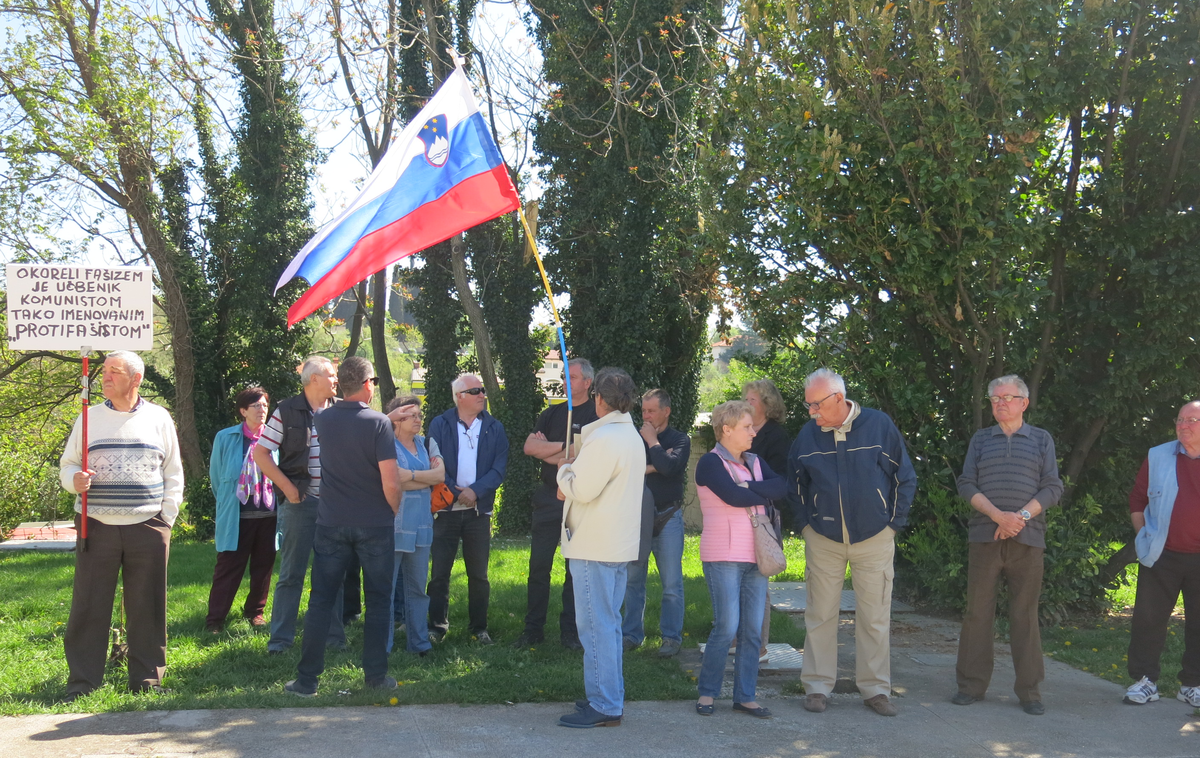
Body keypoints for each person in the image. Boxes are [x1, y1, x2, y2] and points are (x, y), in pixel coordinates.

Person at [788, 368, 916, 717]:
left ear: (838, 399)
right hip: (824, 540)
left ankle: (875, 690)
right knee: (820, 614)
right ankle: (816, 686)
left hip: (874, 538)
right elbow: (795, 484)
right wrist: (805, 527)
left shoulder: (878, 425)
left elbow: (904, 477)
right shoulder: (807, 435)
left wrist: (893, 526)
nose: (812, 413)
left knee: (874, 617)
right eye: (808, 406)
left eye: (816, 405)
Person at [58, 350, 184, 701]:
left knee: (147, 605)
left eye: (115, 371)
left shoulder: (159, 418)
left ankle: (147, 679)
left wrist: (166, 519)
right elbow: (67, 465)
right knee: (89, 604)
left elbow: (174, 471)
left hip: (148, 525)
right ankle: (82, 682)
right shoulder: (87, 418)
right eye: (104, 371)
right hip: (96, 525)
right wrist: (75, 480)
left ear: (136, 379)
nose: (106, 377)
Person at [285, 357, 406, 696]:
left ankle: (307, 681)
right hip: (374, 523)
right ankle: (375, 677)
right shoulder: (379, 423)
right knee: (379, 601)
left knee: (321, 600)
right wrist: (392, 513)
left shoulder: (322, 419)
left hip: (331, 522)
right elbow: (391, 482)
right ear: (367, 384)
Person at [952, 375, 1063, 716]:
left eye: (1007, 397)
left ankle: (1029, 691)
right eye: (994, 399)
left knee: (1024, 616)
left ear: (1024, 403)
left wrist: (1020, 518)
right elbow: (966, 483)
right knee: (977, 614)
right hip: (985, 538)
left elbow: (1053, 487)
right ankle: (971, 686)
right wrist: (999, 516)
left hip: (1027, 540)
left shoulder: (1042, 440)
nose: (1000, 403)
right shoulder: (981, 439)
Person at [555, 367, 645, 728]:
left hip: (596, 544)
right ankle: (606, 696)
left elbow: (580, 488)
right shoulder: (628, 435)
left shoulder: (607, 438)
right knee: (606, 624)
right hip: (613, 543)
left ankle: (606, 704)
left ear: (599, 399)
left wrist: (564, 471)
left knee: (596, 627)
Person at [694, 400, 785, 719]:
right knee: (727, 625)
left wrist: (748, 485)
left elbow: (783, 486)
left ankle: (745, 696)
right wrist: (760, 491)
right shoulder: (709, 463)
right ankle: (707, 692)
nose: (753, 432)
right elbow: (733, 497)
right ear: (726, 429)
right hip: (723, 556)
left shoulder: (756, 462)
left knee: (752, 630)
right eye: (747, 427)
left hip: (757, 554)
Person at [255, 356, 346, 654]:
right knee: (292, 573)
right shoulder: (287, 410)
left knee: (333, 572)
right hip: (301, 503)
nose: (336, 379)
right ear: (314, 380)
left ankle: (333, 638)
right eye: (331, 374)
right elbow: (261, 454)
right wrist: (287, 489)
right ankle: (280, 641)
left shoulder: (342, 409)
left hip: (335, 505)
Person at [515, 358, 596, 649]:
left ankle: (570, 633)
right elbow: (529, 447)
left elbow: (583, 457)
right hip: (549, 497)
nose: (566, 382)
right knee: (538, 567)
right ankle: (532, 630)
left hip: (577, 500)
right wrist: (566, 448)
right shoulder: (551, 414)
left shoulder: (596, 416)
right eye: (564, 377)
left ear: (588, 382)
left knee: (574, 570)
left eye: (572, 377)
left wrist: (548, 451)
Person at [1123, 400, 1200, 707]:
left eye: (1191, 420)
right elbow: (1137, 499)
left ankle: (1192, 685)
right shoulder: (1158, 455)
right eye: (1179, 420)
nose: (1182, 425)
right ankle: (1145, 682)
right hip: (1162, 554)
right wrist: (1143, 536)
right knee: (1148, 620)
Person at [426, 373, 509, 644]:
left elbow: (499, 467)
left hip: (477, 512)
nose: (482, 395)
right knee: (439, 573)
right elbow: (433, 462)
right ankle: (437, 627)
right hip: (446, 510)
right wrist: (455, 491)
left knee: (479, 575)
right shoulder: (440, 424)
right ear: (460, 396)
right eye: (476, 391)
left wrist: (476, 491)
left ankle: (478, 628)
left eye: (483, 390)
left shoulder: (494, 427)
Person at [622, 388, 690, 657]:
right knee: (633, 579)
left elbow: (671, 467)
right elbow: (627, 467)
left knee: (671, 583)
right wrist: (657, 462)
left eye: (651, 410)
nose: (646, 416)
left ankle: (671, 638)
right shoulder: (631, 439)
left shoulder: (680, 439)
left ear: (666, 411)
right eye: (644, 411)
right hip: (636, 517)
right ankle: (631, 635)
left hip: (668, 516)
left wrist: (652, 443)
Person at [205, 386, 279, 634]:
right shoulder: (226, 438)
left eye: (265, 405)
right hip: (237, 516)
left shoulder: (275, 438)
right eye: (256, 405)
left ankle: (255, 613)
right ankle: (214, 620)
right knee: (228, 567)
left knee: (263, 567)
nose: (262, 410)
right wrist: (228, 502)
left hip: (269, 516)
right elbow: (217, 478)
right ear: (243, 411)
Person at [383, 395, 442, 656]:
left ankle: (419, 644)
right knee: (386, 587)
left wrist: (414, 476)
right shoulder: (386, 445)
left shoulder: (427, 443)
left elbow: (439, 476)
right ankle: (382, 646)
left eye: (420, 415)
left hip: (421, 526)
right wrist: (423, 479)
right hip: (393, 525)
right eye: (412, 415)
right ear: (397, 418)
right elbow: (394, 482)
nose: (419, 419)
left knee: (418, 588)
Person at [743, 378, 793, 662]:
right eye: (746, 399)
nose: (746, 404)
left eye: (752, 400)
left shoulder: (776, 436)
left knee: (759, 576)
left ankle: (759, 644)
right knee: (738, 576)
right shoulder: (740, 429)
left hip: (765, 515)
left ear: (767, 404)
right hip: (738, 515)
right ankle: (740, 636)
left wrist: (746, 485)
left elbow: (780, 479)